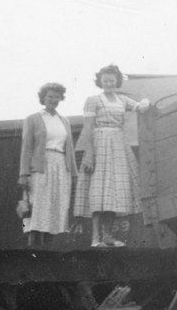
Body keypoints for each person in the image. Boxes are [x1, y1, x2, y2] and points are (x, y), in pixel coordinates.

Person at [73, 64, 150, 247]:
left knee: (114, 192)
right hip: (99, 144)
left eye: (112, 80)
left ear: (117, 81)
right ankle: (95, 238)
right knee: (98, 191)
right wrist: (89, 154)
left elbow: (140, 107)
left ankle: (108, 236)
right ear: (100, 82)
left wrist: (145, 102)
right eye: (105, 80)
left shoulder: (122, 100)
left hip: (118, 144)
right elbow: (89, 128)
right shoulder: (93, 100)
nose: (108, 83)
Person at [18, 82, 77, 248]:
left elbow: (69, 149)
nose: (53, 100)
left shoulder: (64, 121)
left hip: (60, 166)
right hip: (40, 167)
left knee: (55, 206)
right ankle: (31, 247)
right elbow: (27, 148)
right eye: (50, 96)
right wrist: (23, 174)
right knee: (36, 207)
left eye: (57, 97)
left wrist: (73, 173)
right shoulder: (32, 119)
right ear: (43, 98)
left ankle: (48, 249)